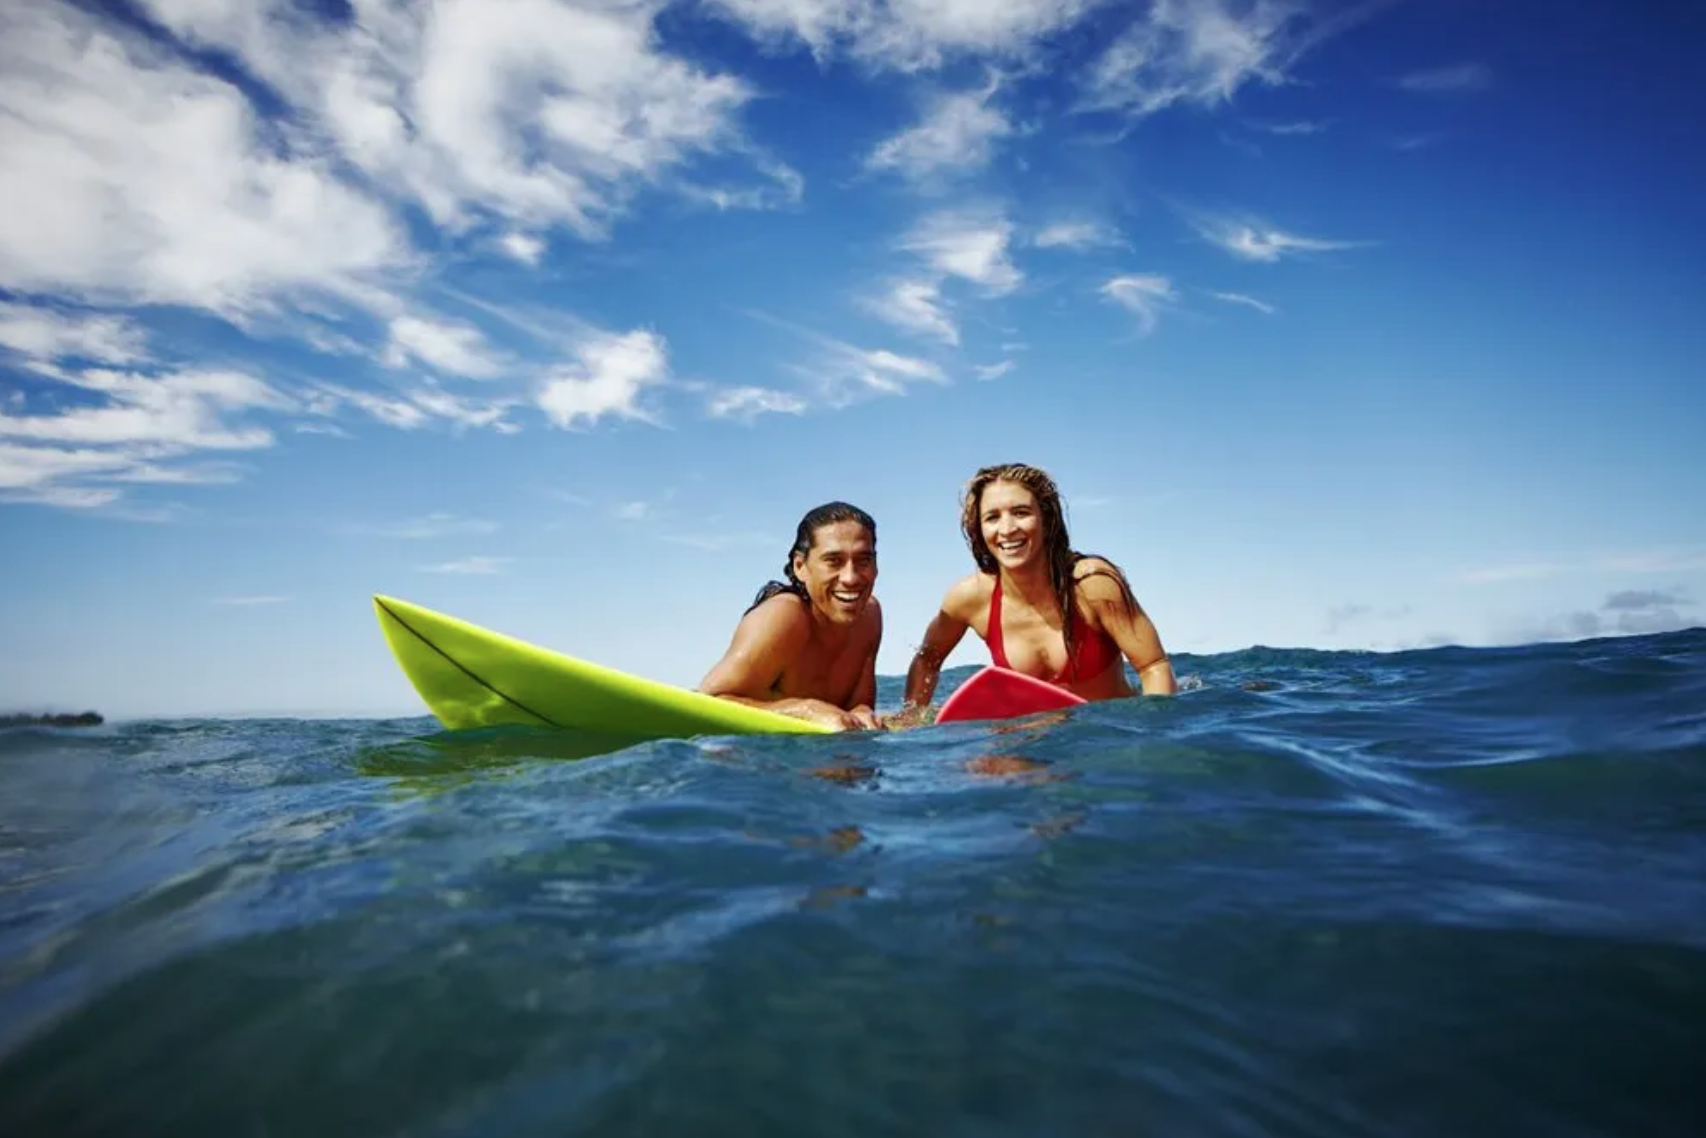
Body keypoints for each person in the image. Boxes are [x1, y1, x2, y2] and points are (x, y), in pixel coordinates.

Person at [902, 463, 1176, 714]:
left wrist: (1154, 734)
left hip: (1106, 733)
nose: (1007, 529)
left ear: (1046, 519)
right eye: (992, 517)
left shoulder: (1092, 584)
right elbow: (928, 659)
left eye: (1021, 513)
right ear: (979, 529)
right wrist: (912, 717)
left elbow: (1153, 666)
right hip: (1033, 741)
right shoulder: (970, 597)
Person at [698, 501, 884, 730]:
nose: (851, 578)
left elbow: (859, 704)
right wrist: (804, 710)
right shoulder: (782, 616)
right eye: (833, 561)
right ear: (800, 566)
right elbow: (706, 701)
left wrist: (862, 712)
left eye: (863, 561)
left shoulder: (869, 617)